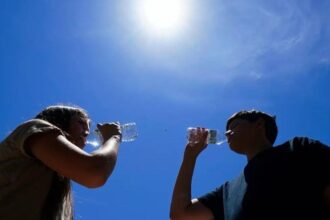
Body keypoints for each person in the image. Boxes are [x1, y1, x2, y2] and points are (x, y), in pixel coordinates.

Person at [170, 110, 330, 220]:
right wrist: (190, 156)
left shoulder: (298, 148)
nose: (226, 133)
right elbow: (180, 214)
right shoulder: (227, 191)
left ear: (259, 125)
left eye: (234, 126)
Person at [0, 105, 122, 219]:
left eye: (88, 128)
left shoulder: (60, 179)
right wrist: (113, 137)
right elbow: (95, 172)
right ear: (61, 121)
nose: (87, 132)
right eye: (81, 123)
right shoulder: (36, 127)